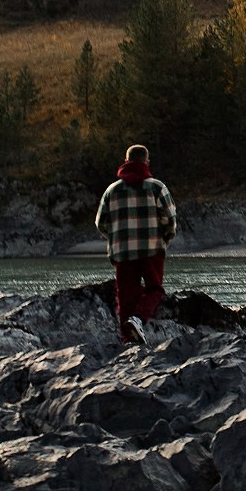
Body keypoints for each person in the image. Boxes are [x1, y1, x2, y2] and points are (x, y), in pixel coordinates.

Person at [95, 144, 178, 343]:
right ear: (146, 162)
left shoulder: (111, 191)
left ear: (126, 162)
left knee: (125, 297)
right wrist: (164, 240)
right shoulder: (156, 187)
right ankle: (138, 319)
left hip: (123, 252)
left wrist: (117, 239)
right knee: (154, 289)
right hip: (152, 250)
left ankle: (127, 340)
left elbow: (100, 223)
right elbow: (170, 219)